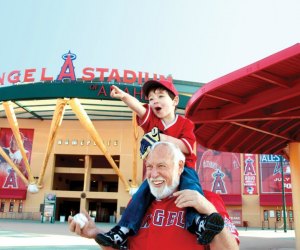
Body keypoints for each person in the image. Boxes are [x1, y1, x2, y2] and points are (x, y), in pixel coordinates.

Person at [96, 79, 224, 249]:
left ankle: (198, 222)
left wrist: (160, 137)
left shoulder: (185, 123)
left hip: (184, 169)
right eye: (150, 99)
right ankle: (123, 230)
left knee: (191, 191)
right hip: (161, 172)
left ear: (175, 101)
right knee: (140, 195)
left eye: (160, 96)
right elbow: (139, 109)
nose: (154, 101)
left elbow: (186, 147)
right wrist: (124, 96)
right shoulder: (153, 122)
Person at [68, 142, 239, 250]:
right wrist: (96, 233)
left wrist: (209, 210)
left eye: (161, 166)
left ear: (180, 167)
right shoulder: (137, 205)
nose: (153, 174)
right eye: (149, 166)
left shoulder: (206, 199)